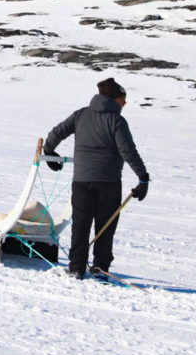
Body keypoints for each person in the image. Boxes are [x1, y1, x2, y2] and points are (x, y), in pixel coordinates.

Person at [43, 78, 150, 280]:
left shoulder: (80, 115)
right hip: (109, 184)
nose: (125, 103)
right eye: (122, 99)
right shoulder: (117, 121)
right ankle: (100, 269)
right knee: (106, 226)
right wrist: (143, 177)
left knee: (81, 225)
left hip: (82, 181)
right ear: (113, 99)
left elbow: (56, 133)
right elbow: (128, 151)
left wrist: (50, 152)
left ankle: (76, 269)